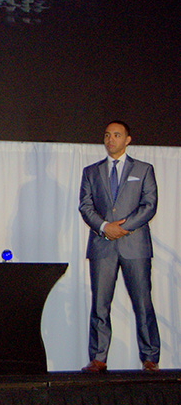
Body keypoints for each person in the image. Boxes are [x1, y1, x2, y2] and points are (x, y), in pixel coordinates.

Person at [79, 120, 161, 373]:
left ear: (127, 140)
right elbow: (85, 206)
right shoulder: (91, 171)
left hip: (135, 246)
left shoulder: (144, 169)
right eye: (106, 135)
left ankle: (150, 358)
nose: (110, 139)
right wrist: (105, 227)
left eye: (116, 135)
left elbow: (149, 204)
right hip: (102, 245)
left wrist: (122, 227)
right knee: (100, 305)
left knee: (143, 303)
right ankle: (99, 358)